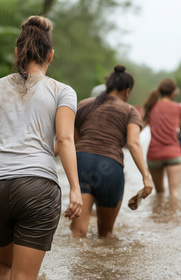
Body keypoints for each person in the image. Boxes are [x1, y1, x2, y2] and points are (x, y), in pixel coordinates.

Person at [0, 16, 83, 280]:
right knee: (23, 275)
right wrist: (76, 190)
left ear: (17, 52)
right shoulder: (63, 91)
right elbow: (66, 139)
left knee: (5, 265)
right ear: (50, 55)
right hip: (37, 188)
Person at [70, 65, 153, 238]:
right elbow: (133, 143)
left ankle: (77, 266)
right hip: (110, 166)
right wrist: (146, 176)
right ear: (127, 91)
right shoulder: (130, 111)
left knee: (78, 232)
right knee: (106, 235)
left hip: (81, 161)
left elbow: (74, 138)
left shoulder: (84, 104)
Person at [144, 79, 181, 197]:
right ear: (173, 92)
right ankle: (173, 216)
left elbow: (140, 127)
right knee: (174, 194)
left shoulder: (151, 106)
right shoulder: (178, 107)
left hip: (154, 154)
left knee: (159, 194)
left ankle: (159, 215)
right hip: (173, 153)